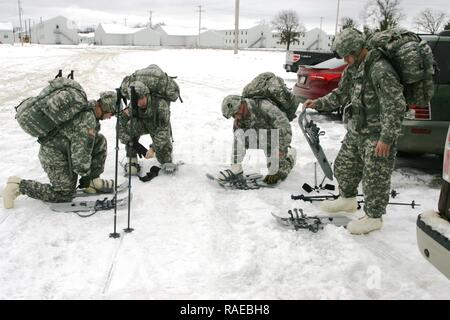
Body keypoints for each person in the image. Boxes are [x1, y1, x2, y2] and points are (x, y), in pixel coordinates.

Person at [303, 28, 406, 234]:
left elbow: (395, 105)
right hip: (357, 130)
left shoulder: (380, 70)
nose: (346, 60)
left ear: (358, 49)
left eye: (347, 56)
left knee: (375, 177)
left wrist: (386, 138)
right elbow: (341, 93)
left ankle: (374, 217)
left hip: (377, 134)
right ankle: (348, 200)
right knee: (343, 167)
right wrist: (318, 102)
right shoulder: (353, 69)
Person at [2, 91, 117, 209]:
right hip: (53, 154)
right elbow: (79, 156)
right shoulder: (87, 120)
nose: (109, 118)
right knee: (64, 194)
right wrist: (85, 175)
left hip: (64, 148)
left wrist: (89, 176)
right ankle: (18, 186)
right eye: (111, 114)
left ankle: (94, 182)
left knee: (99, 140)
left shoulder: (87, 109)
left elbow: (84, 146)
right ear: (105, 108)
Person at [220, 95, 297, 186]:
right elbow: (238, 141)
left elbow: (284, 126)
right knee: (239, 133)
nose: (237, 117)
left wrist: (282, 149)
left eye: (237, 112)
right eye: (233, 115)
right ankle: (236, 168)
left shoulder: (264, 106)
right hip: (257, 137)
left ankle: (291, 156)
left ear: (242, 104)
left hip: (273, 140)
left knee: (277, 174)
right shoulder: (239, 118)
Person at [119, 81, 176, 175]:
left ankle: (164, 153)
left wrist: (153, 148)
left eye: (141, 98)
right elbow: (121, 126)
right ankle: (132, 159)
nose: (139, 102)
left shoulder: (161, 106)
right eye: (136, 99)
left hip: (158, 128)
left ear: (147, 94)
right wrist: (134, 144)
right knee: (129, 126)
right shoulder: (132, 106)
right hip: (142, 124)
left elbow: (164, 131)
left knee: (166, 161)